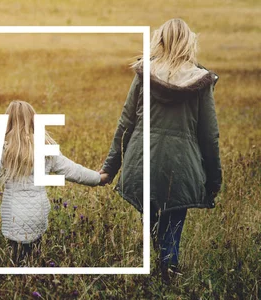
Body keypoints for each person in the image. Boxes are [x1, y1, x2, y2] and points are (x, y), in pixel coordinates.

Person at [100, 18, 222, 281]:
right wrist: (214, 178)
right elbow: (209, 136)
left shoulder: (145, 75)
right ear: (190, 42)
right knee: (172, 225)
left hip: (142, 162)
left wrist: (110, 168)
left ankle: (156, 269)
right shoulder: (200, 81)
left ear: (160, 41)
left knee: (151, 221)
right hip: (182, 167)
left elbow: (126, 122)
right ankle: (168, 270)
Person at [0, 100, 107, 265]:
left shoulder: (4, 147)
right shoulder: (45, 146)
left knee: (17, 260)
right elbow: (73, 170)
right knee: (35, 256)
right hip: (38, 214)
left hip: (14, 216)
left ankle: (21, 286)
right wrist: (97, 178)